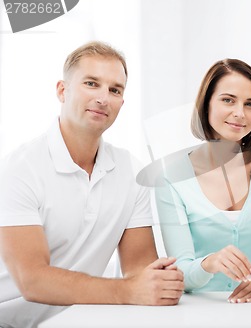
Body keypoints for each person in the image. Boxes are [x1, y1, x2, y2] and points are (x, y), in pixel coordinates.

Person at [0, 41, 184, 328]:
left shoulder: (130, 171)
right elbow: (31, 279)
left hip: (83, 320)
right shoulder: (19, 168)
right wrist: (129, 291)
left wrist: (162, 280)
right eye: (91, 83)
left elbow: (138, 269)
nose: (103, 98)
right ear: (62, 90)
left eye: (115, 90)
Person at [152, 58, 251, 303]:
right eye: (228, 100)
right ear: (206, 104)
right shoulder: (170, 176)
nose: (240, 113)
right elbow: (182, 273)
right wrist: (210, 263)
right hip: (195, 311)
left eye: (250, 104)